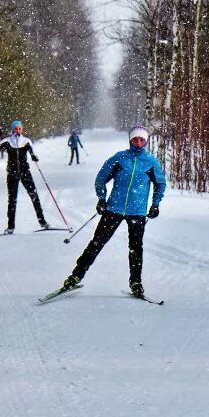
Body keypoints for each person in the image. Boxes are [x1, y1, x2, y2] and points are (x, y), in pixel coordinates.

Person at [57, 126, 165, 298]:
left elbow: (161, 184)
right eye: (135, 139)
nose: (138, 143)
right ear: (130, 140)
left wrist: (155, 204)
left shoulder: (151, 162)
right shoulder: (119, 158)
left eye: (141, 140)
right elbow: (100, 179)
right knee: (97, 242)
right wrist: (101, 199)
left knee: (135, 248)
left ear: (145, 142)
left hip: (137, 211)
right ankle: (76, 275)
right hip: (114, 208)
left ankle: (136, 282)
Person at [0, 119, 49, 234]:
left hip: (25, 173)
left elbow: (33, 152)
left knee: (34, 196)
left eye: (19, 128)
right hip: (12, 174)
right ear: (12, 130)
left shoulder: (26, 141)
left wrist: (34, 157)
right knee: (12, 200)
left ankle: (42, 222)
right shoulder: (7, 142)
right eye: (15, 128)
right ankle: (10, 226)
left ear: (22, 129)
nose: (18, 130)